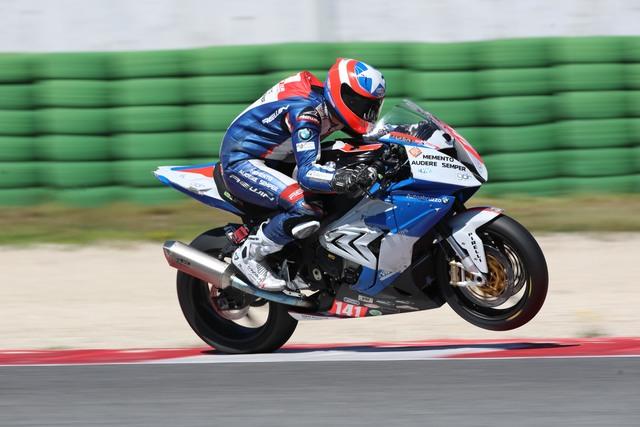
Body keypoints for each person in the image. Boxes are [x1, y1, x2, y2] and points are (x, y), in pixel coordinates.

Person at [220, 58, 386, 291]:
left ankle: (303, 262)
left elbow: (372, 136)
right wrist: (342, 179)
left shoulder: (332, 108)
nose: (365, 112)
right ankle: (249, 255)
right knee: (306, 208)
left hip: (279, 157)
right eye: (359, 103)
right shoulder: (306, 113)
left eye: (372, 106)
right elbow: (307, 174)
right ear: (341, 93)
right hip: (243, 160)